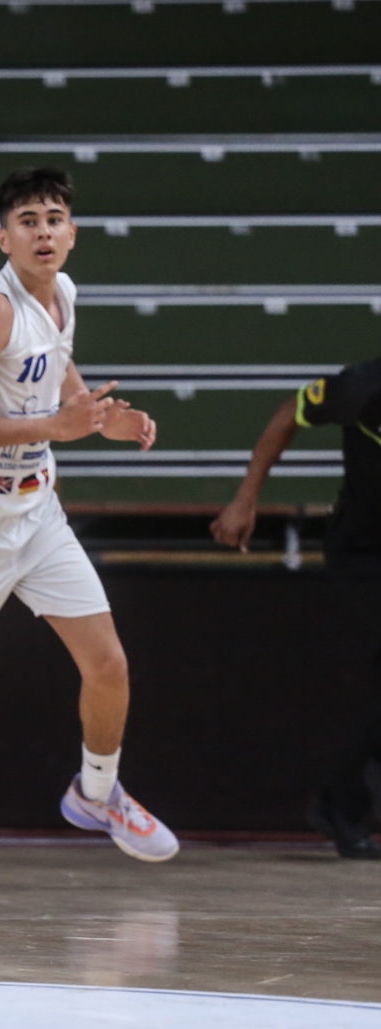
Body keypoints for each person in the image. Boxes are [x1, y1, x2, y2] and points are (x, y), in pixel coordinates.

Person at [0, 167, 176, 887]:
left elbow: (59, 369)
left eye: (54, 218)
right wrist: (59, 424)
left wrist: (104, 417)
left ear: (71, 233)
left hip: (33, 510)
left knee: (107, 661)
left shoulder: (63, 294)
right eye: (28, 219)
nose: (43, 230)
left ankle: (97, 791)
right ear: (4, 237)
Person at [212, 361, 381, 859]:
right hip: (364, 552)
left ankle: (339, 806)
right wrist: (246, 499)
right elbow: (289, 414)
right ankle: (338, 806)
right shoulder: (364, 388)